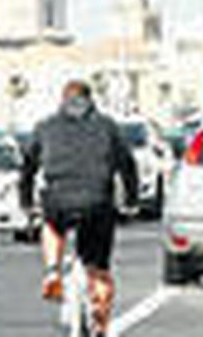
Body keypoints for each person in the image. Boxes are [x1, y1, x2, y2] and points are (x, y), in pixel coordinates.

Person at [19, 80, 137, 334]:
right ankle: (100, 314)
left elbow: (27, 168)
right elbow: (127, 166)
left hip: (57, 200)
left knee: (51, 224)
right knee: (99, 268)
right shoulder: (107, 127)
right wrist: (131, 200)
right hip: (98, 203)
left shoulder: (45, 127)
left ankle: (52, 270)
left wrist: (26, 202)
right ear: (90, 100)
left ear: (63, 100)